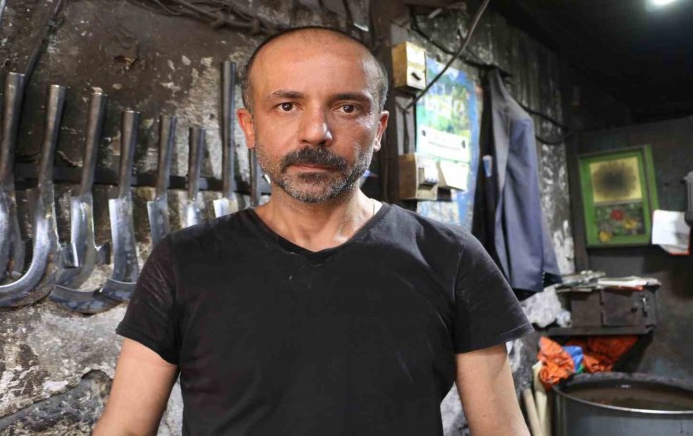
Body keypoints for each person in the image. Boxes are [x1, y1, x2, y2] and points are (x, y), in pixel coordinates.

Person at [94, 26, 532, 436]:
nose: (315, 133)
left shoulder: (452, 257)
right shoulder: (184, 260)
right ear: (250, 126)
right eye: (287, 106)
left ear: (379, 130)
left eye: (347, 108)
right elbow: (125, 429)